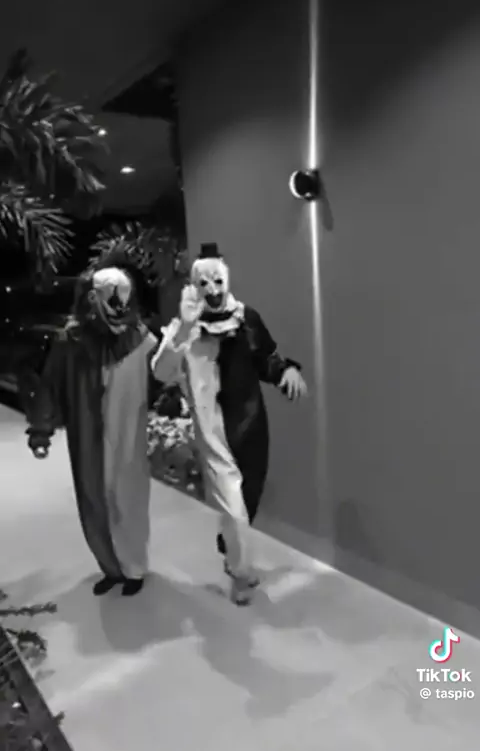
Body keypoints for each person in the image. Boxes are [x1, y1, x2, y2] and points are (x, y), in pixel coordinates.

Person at [151, 242, 307, 605]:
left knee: (246, 501)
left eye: (217, 281)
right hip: (214, 436)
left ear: (227, 279)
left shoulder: (246, 318)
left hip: (251, 427)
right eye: (203, 284)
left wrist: (286, 370)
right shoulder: (185, 329)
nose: (213, 290)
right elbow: (161, 371)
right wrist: (184, 328)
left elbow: (266, 358)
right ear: (194, 286)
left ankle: (230, 547)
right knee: (235, 512)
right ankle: (240, 574)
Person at [26, 255, 158, 596]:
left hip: (127, 435)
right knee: (93, 500)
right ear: (92, 298)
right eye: (110, 297)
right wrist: (40, 430)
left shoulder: (142, 340)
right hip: (87, 435)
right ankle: (111, 567)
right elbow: (50, 384)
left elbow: (163, 376)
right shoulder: (70, 342)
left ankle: (134, 568)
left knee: (128, 500)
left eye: (124, 296)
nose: (118, 306)